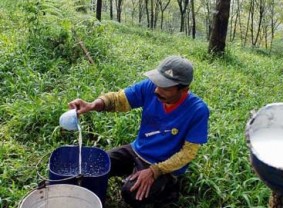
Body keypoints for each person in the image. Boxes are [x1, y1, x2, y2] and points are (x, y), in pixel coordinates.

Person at [68, 55, 210, 207]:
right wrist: (92, 105)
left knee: (132, 194)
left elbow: (188, 153)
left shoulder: (197, 111)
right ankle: (133, 173)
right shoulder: (150, 87)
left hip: (162, 164)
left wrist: (155, 170)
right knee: (96, 165)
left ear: (184, 89)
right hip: (137, 150)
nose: (157, 90)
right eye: (157, 83)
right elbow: (118, 99)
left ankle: (168, 190)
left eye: (165, 87)